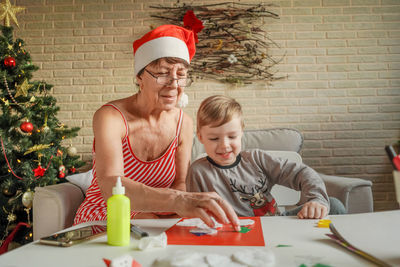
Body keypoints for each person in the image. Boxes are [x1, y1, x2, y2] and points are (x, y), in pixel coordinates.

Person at [74, 25, 240, 231]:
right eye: (162, 74)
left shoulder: (184, 124)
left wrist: (180, 204)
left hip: (154, 219)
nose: (174, 84)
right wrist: (176, 201)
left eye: (181, 74)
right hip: (104, 215)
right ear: (139, 77)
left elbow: (180, 182)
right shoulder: (111, 117)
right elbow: (110, 185)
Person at [187, 95, 346, 219]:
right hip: (234, 230)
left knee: (334, 205)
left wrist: (316, 200)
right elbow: (195, 212)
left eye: (232, 136)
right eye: (214, 139)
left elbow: (301, 173)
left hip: (276, 224)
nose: (224, 145)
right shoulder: (198, 171)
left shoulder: (256, 159)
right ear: (200, 137)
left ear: (242, 132)